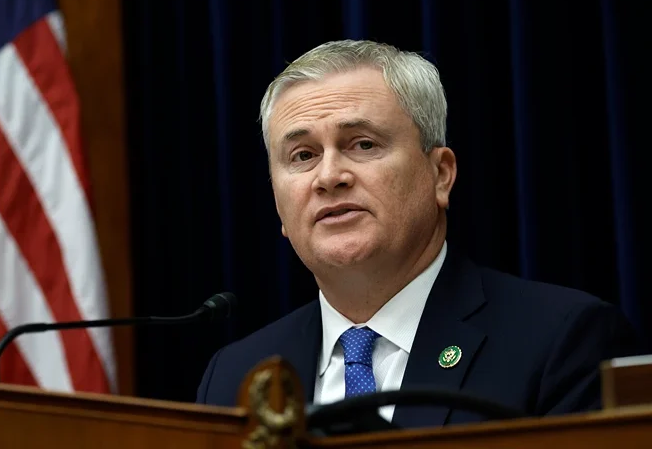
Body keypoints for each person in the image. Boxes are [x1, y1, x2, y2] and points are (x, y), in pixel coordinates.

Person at [195, 40, 640, 428]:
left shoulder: (561, 343)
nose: (329, 176)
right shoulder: (234, 375)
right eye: (303, 155)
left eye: (363, 144)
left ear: (440, 174)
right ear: (278, 205)